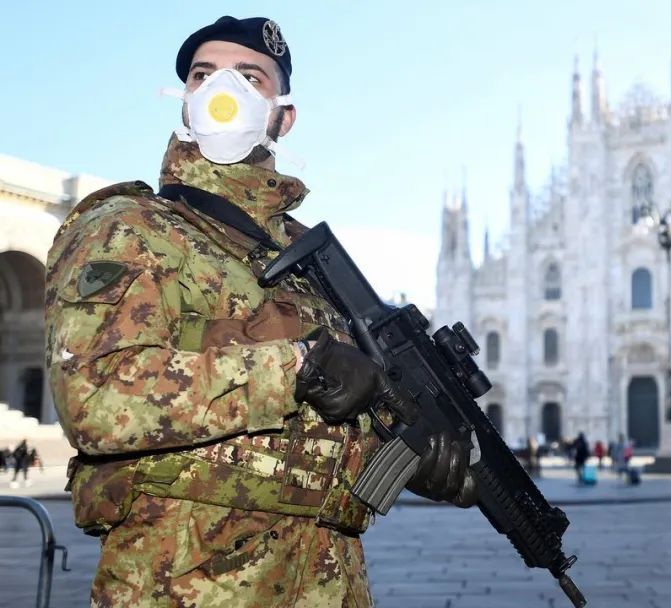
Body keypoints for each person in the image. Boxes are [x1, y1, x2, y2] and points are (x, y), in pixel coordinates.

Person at [44, 16, 477, 606]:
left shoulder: (311, 262)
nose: (226, 94)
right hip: (185, 585)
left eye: (250, 77)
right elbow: (96, 399)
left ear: (283, 113)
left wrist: (406, 458)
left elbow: (321, 427)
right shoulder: (128, 229)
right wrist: (298, 367)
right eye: (204, 76)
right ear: (186, 101)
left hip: (327, 585)